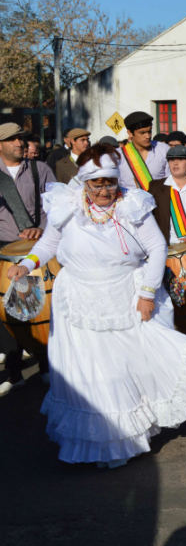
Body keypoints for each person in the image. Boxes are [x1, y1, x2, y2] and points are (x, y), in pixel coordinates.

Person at [6, 144, 186, 465]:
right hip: (78, 301)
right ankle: (95, 441)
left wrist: (146, 294)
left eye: (109, 182)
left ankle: (124, 439)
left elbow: (157, 248)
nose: (104, 190)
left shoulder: (132, 203)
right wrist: (28, 263)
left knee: (121, 369)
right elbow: (49, 242)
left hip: (124, 297)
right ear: (84, 182)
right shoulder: (67, 203)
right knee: (88, 372)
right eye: (96, 183)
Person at [0, 123, 56, 397]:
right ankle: (14, 372)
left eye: (21, 138)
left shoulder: (40, 169)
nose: (19, 143)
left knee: (39, 309)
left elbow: (54, 206)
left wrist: (42, 230)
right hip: (3, 249)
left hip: (37, 247)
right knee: (6, 312)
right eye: (12, 139)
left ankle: (46, 366)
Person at [117, 112, 170, 191]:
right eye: (142, 133)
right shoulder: (118, 155)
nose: (148, 136)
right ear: (130, 133)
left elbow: (171, 180)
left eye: (149, 131)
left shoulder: (163, 149)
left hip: (159, 201)